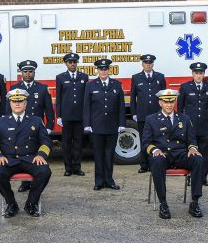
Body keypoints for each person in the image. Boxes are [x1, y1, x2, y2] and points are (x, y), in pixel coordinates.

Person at [143, 89, 206, 219]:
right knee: (156, 160)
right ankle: (163, 203)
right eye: (166, 102)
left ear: (175, 102)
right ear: (160, 102)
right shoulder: (151, 119)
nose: (169, 105)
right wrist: (155, 150)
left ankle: (194, 202)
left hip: (181, 154)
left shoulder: (184, 118)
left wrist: (193, 148)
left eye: (172, 101)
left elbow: (191, 139)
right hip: (163, 155)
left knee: (199, 160)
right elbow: (145, 142)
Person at [0, 88, 52, 218]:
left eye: (20, 101)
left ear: (25, 103)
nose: (17, 104)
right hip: (9, 160)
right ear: (10, 103)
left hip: (30, 159)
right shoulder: (0, 122)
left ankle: (31, 203)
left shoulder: (36, 120)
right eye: (14, 101)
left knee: (44, 171)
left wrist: (41, 155)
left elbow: (46, 142)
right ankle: (11, 204)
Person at [9, 60, 54, 192]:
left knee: (35, 153)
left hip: (37, 127)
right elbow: (8, 110)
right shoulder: (14, 89)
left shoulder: (42, 88)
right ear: (21, 73)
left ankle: (35, 180)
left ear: (34, 72)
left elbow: (48, 109)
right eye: (25, 71)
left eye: (30, 71)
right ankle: (25, 183)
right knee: (23, 152)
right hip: (19, 127)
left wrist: (49, 125)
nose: (28, 74)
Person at [84, 58, 125, 191]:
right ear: (97, 70)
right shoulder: (90, 85)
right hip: (96, 126)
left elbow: (121, 106)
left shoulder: (116, 84)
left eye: (105, 69)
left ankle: (109, 180)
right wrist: (87, 124)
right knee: (98, 154)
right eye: (101, 69)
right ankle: (99, 181)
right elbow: (86, 106)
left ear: (109, 70)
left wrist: (121, 123)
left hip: (112, 126)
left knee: (109, 154)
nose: (103, 71)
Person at [177, 62, 208, 186]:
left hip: (204, 126)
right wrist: (180, 123)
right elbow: (180, 108)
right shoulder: (185, 87)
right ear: (192, 74)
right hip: (190, 127)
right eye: (196, 73)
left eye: (201, 73)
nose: (198, 76)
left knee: (204, 154)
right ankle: (190, 177)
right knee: (191, 152)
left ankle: (203, 178)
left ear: (204, 74)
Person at [130, 54, 166, 173]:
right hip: (142, 115)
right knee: (144, 139)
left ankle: (156, 163)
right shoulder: (136, 78)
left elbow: (164, 97)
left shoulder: (160, 77)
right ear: (142, 64)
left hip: (157, 114)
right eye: (146, 63)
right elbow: (133, 97)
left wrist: (164, 111)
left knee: (158, 139)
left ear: (153, 64)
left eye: (150, 63)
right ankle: (144, 164)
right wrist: (134, 113)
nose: (148, 64)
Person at [55, 53, 89, 176]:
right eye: (70, 62)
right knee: (66, 143)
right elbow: (58, 98)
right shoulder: (60, 77)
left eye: (74, 61)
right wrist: (58, 115)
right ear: (66, 63)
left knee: (79, 143)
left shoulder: (84, 77)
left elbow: (86, 98)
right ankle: (68, 168)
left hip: (79, 116)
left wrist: (87, 115)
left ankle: (77, 167)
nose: (72, 64)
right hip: (67, 116)